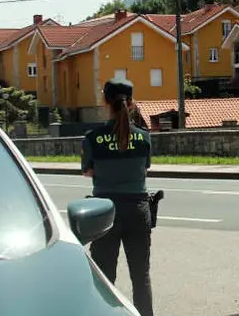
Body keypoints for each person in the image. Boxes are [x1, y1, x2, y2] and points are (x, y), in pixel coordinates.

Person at [81, 78, 154, 316]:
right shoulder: (143, 136)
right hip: (138, 210)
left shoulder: (92, 138)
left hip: (105, 213)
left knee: (104, 277)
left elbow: (88, 171)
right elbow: (144, 168)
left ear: (105, 102)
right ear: (131, 103)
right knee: (140, 276)